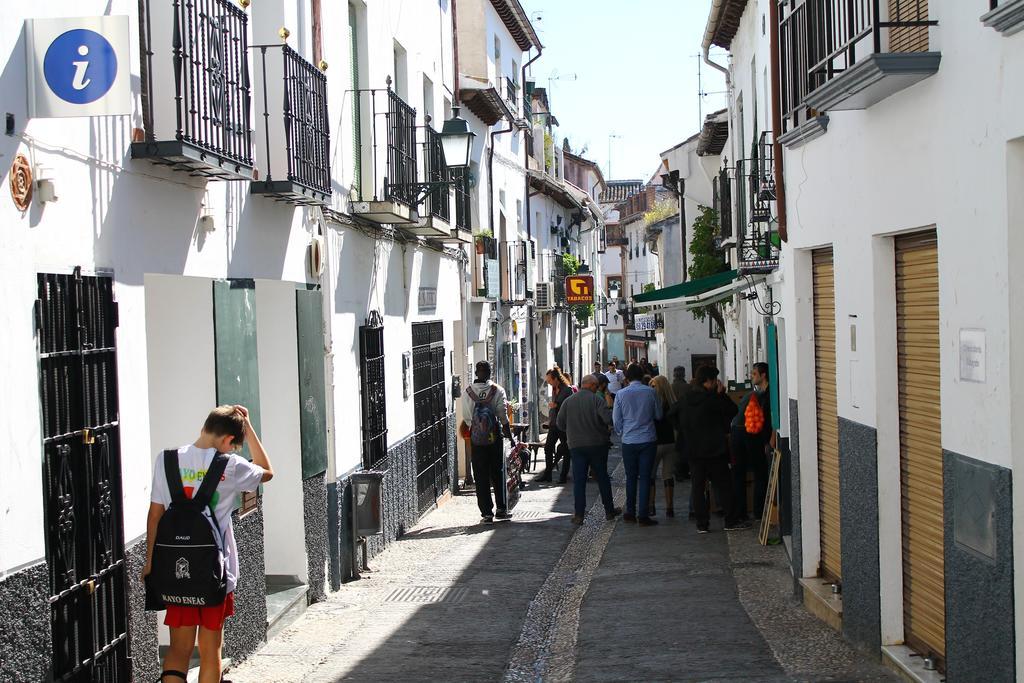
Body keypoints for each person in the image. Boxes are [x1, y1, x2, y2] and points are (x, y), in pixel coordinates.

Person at [145, 405, 274, 683]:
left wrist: (149, 562)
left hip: (175, 572)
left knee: (179, 649)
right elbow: (267, 471)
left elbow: (155, 514)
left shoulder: (166, 460)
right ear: (229, 440)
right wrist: (249, 427)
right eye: (234, 445)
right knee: (210, 650)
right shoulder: (231, 465)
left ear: (206, 427)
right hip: (216, 571)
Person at [679, 365, 749, 533]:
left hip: (694, 450)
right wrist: (722, 394)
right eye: (715, 380)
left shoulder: (686, 398)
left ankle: (702, 524)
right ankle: (730, 521)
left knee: (698, 487)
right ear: (709, 381)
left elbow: (673, 414)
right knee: (724, 485)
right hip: (715, 449)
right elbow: (733, 411)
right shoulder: (713, 398)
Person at [556, 374, 622, 525]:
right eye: (596, 386)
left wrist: (572, 431)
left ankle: (579, 515)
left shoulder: (568, 401)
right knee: (602, 477)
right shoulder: (597, 400)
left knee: (579, 481)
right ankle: (609, 511)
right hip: (597, 444)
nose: (597, 388)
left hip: (576, 446)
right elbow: (608, 419)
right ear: (591, 385)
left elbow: (560, 423)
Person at [463, 361, 513, 523]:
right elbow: (502, 414)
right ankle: (501, 509)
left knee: (480, 474)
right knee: (497, 472)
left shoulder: (468, 392)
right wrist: (509, 435)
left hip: (477, 439)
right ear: (490, 373)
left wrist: (476, 429)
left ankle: (486, 513)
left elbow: (467, 417)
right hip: (494, 438)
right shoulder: (497, 390)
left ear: (476, 373)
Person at [613, 362, 662, 526]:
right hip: (648, 439)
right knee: (645, 477)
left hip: (629, 440)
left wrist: (622, 432)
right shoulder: (650, 392)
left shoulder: (620, 394)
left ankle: (630, 512)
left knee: (631, 477)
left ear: (627, 378)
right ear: (642, 376)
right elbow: (659, 415)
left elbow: (616, 420)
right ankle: (643, 515)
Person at [731, 362, 777, 521]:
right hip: (752, 436)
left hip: (759, 438)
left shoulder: (769, 394)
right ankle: (753, 512)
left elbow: (772, 417)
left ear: (763, 375)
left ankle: (757, 511)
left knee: (758, 473)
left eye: (754, 374)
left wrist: (771, 436)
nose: (751, 376)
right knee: (757, 473)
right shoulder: (757, 394)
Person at [538, 366, 573, 483]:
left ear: (556, 379)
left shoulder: (567, 389)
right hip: (554, 424)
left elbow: (569, 405)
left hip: (564, 424)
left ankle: (563, 476)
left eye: (549, 381)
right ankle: (548, 474)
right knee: (548, 448)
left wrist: (557, 405)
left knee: (565, 450)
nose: (548, 383)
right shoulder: (554, 389)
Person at [649, 375, 677, 518]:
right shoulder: (673, 403)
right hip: (670, 442)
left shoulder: (653, 403)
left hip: (656, 443)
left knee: (651, 475)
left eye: (653, 386)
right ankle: (669, 507)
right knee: (668, 475)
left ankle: (651, 506)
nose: (651, 388)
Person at [670, 366, 692, 481]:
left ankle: (677, 471)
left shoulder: (670, 387)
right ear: (683, 374)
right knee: (686, 446)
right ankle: (684, 470)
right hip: (686, 420)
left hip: (674, 421)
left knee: (676, 448)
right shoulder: (688, 387)